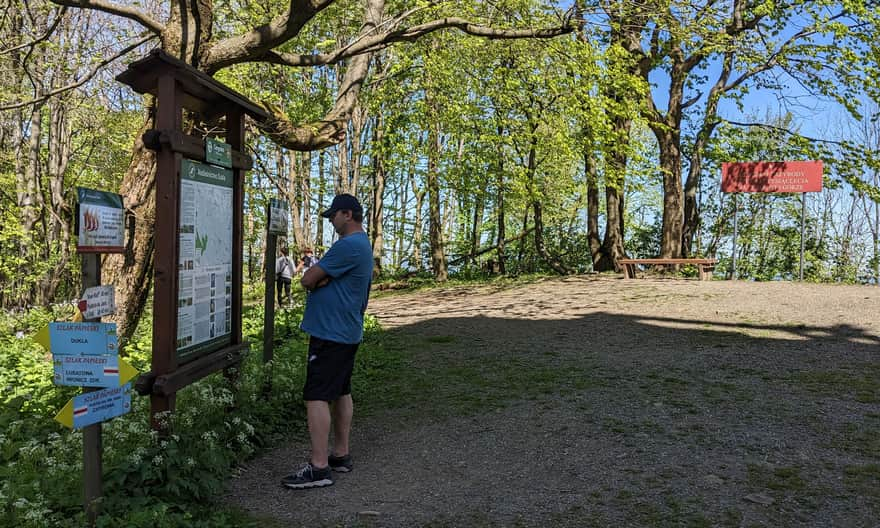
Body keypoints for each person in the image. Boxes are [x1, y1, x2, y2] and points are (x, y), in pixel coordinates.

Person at [282, 193, 373, 490]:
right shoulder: (363, 245)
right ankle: (340, 454)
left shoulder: (347, 246)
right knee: (341, 390)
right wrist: (324, 278)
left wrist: (320, 278)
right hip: (346, 330)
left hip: (331, 333)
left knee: (317, 395)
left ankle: (319, 467)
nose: (331, 221)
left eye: (333, 216)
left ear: (347, 214)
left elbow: (308, 279)